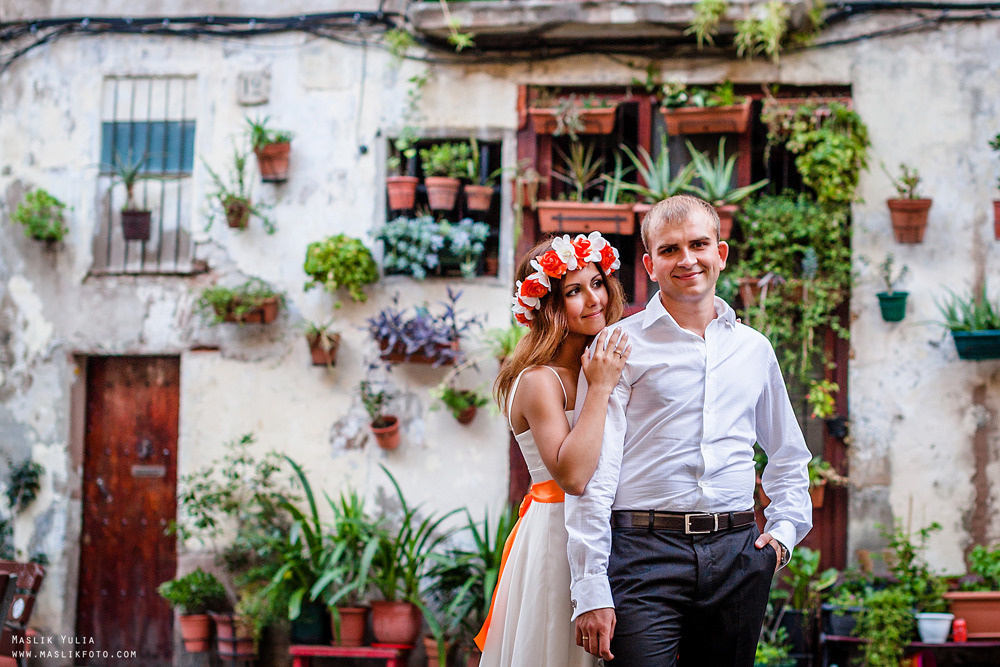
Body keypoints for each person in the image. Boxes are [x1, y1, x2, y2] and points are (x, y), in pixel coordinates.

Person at [566, 195, 813, 666]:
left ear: (720, 254)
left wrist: (781, 537)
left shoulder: (754, 349)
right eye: (670, 249)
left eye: (699, 244)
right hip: (643, 555)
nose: (687, 260)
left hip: (737, 554)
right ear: (650, 264)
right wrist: (590, 586)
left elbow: (788, 454)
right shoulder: (618, 346)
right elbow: (595, 475)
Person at [475, 231, 632, 667]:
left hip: (608, 528)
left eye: (597, 283)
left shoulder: (604, 359)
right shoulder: (539, 380)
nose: (593, 299)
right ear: (548, 306)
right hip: (557, 536)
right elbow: (575, 475)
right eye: (574, 292)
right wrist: (599, 387)